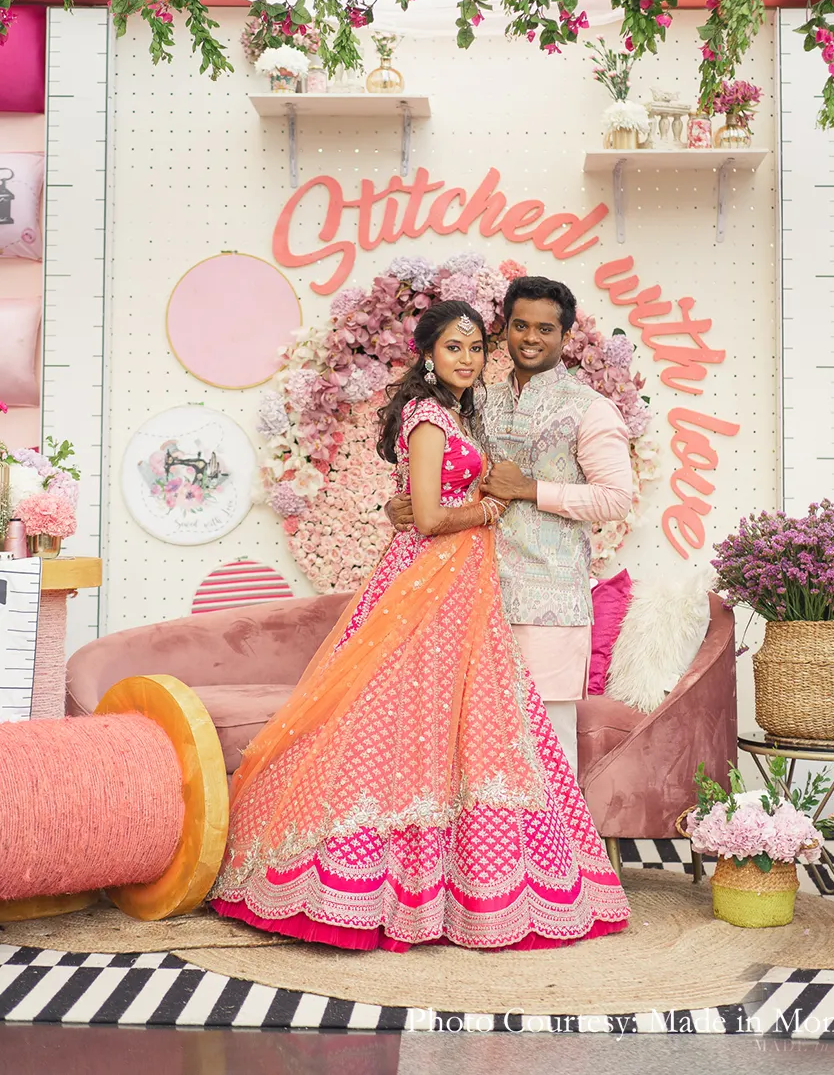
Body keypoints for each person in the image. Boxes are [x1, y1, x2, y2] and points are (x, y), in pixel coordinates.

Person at [209, 300, 629, 951]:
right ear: (428, 354)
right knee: (393, 720)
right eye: (453, 347)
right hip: (432, 579)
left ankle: (479, 882)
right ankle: (359, 882)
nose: (467, 358)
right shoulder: (430, 416)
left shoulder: (471, 411)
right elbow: (431, 518)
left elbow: (434, 498)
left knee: (461, 731)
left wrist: (452, 501)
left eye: (474, 348)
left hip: (468, 585)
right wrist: (484, 511)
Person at [388, 276, 634, 778]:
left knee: (548, 752)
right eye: (521, 325)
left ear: (565, 336)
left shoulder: (589, 408)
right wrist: (401, 506)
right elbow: (447, 475)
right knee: (477, 754)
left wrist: (529, 489)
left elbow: (616, 498)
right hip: (472, 599)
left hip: (548, 603)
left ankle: (561, 836)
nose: (531, 338)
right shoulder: (478, 402)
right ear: (505, 331)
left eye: (545, 328)